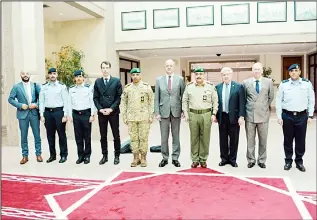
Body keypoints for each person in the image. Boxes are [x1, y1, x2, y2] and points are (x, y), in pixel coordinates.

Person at [276, 64, 315, 172]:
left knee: (300, 140)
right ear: (289, 73)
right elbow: (278, 101)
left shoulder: (307, 84)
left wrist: (310, 115)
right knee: (287, 140)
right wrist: (279, 116)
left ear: (300, 72)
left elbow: (311, 99)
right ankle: (288, 161)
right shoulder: (284, 84)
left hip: (302, 116)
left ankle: (299, 161)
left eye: (296, 70)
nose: (294, 72)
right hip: (287, 116)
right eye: (291, 71)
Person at [182, 68, 218, 168]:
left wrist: (214, 113)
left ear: (204, 75)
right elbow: (184, 101)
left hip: (206, 114)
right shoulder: (189, 86)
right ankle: (194, 160)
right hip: (193, 114)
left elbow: (215, 101)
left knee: (205, 138)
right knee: (194, 138)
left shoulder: (210, 86)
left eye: (201, 74)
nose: (198, 76)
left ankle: (203, 159)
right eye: (197, 74)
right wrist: (186, 113)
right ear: (194, 75)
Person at [120, 68, 154, 167]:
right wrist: (124, 116)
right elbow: (123, 103)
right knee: (133, 138)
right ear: (131, 76)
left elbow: (151, 102)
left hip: (144, 117)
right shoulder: (127, 88)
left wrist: (151, 115)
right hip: (131, 118)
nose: (135, 76)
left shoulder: (146, 87)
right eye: (133, 75)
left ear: (140, 75)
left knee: (143, 138)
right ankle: (135, 158)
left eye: (137, 74)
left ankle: (143, 158)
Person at [154, 59, 185, 167]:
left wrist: (183, 110)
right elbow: (156, 97)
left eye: (171, 65)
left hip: (176, 111)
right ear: (164, 67)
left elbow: (183, 97)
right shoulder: (159, 80)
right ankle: (165, 158)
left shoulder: (180, 79)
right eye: (167, 65)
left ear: (174, 67)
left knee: (176, 136)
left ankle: (175, 158)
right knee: (164, 137)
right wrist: (157, 112)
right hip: (163, 112)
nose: (169, 67)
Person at [243, 62, 274, 169]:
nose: (256, 71)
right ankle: (251, 160)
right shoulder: (246, 82)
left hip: (263, 115)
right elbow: (245, 98)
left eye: (258, 69)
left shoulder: (268, 82)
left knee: (263, 139)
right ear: (252, 71)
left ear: (262, 70)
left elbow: (270, 97)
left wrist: (263, 106)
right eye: (254, 69)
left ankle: (261, 160)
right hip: (250, 115)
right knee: (250, 139)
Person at [8, 70, 42, 164]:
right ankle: (25, 156)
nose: (25, 75)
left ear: (30, 75)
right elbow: (10, 99)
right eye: (23, 74)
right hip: (22, 115)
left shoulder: (35, 85)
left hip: (34, 114)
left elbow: (42, 98)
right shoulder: (16, 87)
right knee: (23, 136)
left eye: (27, 74)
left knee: (37, 135)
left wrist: (36, 104)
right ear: (20, 75)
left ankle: (38, 154)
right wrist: (20, 105)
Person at [215, 67, 245, 167]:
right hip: (222, 117)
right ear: (222, 76)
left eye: (228, 74)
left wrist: (241, 116)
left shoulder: (238, 87)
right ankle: (223, 159)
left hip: (234, 117)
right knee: (222, 139)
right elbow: (215, 103)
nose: (226, 76)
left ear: (231, 75)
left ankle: (232, 159)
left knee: (234, 139)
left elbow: (242, 102)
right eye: (224, 74)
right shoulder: (218, 87)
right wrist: (214, 115)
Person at [93, 61, 122, 165]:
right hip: (102, 113)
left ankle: (117, 156)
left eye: (107, 68)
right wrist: (100, 109)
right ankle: (104, 156)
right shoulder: (97, 82)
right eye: (103, 68)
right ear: (101, 69)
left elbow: (119, 97)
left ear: (110, 69)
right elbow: (95, 98)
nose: (105, 70)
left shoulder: (116, 81)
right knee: (103, 136)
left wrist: (111, 108)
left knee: (116, 135)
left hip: (113, 112)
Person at [39, 68, 69, 163]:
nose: (52, 75)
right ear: (48, 75)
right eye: (51, 74)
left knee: (61, 134)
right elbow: (41, 101)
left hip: (59, 112)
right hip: (47, 113)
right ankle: (52, 155)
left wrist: (65, 114)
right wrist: (41, 114)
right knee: (50, 135)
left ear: (57, 75)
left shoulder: (61, 86)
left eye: (54, 73)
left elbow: (66, 101)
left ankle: (63, 155)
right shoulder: (43, 87)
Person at [68, 70, 96, 164]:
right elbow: (69, 103)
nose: (79, 78)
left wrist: (92, 114)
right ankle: (80, 156)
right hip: (75, 115)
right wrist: (69, 115)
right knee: (78, 137)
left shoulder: (88, 88)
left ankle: (87, 156)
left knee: (87, 136)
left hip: (86, 114)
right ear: (74, 78)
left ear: (83, 78)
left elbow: (92, 102)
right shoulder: (71, 89)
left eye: (80, 76)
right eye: (77, 77)